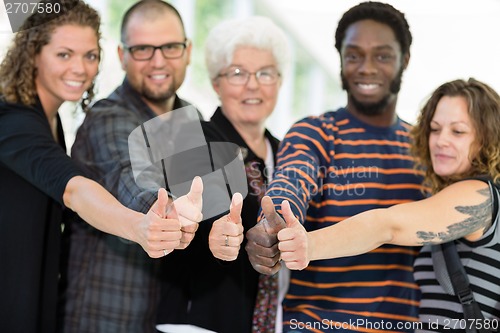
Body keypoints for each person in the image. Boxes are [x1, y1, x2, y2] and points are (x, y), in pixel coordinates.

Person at [0, 1, 203, 333]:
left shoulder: (48, 119)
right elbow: (75, 188)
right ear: (33, 53)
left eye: (90, 55)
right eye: (64, 54)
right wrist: (140, 226)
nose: (80, 68)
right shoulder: (13, 117)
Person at [245, 2, 427, 332]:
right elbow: (292, 181)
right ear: (341, 59)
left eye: (382, 56)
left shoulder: (427, 147)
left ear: (405, 60)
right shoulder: (315, 132)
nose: (366, 68)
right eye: (354, 55)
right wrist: (273, 224)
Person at [277, 78, 500, 333]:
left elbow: (387, 226)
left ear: (487, 139)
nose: (441, 140)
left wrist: (308, 245)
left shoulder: (480, 195)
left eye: (458, 131)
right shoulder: (449, 195)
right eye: (435, 129)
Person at [155, 16, 290, 333]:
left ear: (280, 81)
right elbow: (197, 208)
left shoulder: (286, 152)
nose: (253, 85)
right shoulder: (194, 138)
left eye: (265, 73)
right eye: (238, 73)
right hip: (198, 321)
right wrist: (214, 231)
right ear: (216, 83)